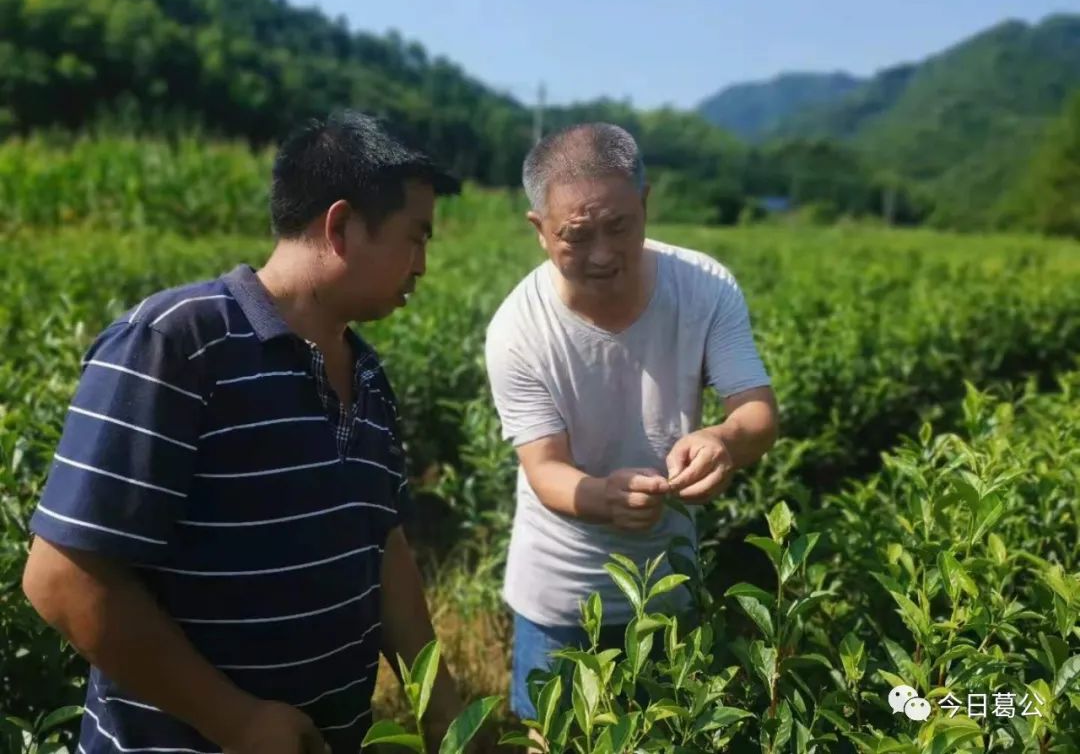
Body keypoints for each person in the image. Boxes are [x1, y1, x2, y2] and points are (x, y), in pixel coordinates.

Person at [22, 111, 465, 754]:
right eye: (414, 238)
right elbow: (62, 577)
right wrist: (234, 720)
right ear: (340, 226)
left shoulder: (367, 375)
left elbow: (384, 544)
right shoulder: (176, 344)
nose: (422, 265)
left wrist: (440, 705)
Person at [483, 122, 780, 723]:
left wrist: (723, 439)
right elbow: (544, 470)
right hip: (562, 598)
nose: (603, 254)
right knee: (559, 736)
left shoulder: (705, 289)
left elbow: (757, 413)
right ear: (539, 230)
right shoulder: (517, 331)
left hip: (672, 583)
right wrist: (602, 497)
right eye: (577, 235)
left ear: (645, 204)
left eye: (620, 227)